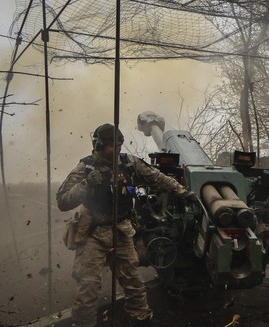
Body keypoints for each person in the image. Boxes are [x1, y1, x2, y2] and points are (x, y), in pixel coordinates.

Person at [57, 123, 197, 327]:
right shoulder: (86, 167)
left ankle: (141, 320)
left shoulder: (129, 163)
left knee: (134, 284)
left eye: (120, 145)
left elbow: (157, 178)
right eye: (112, 146)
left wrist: (183, 192)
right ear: (98, 144)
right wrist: (87, 184)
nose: (117, 150)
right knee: (88, 289)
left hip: (121, 230)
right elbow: (63, 201)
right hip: (93, 233)